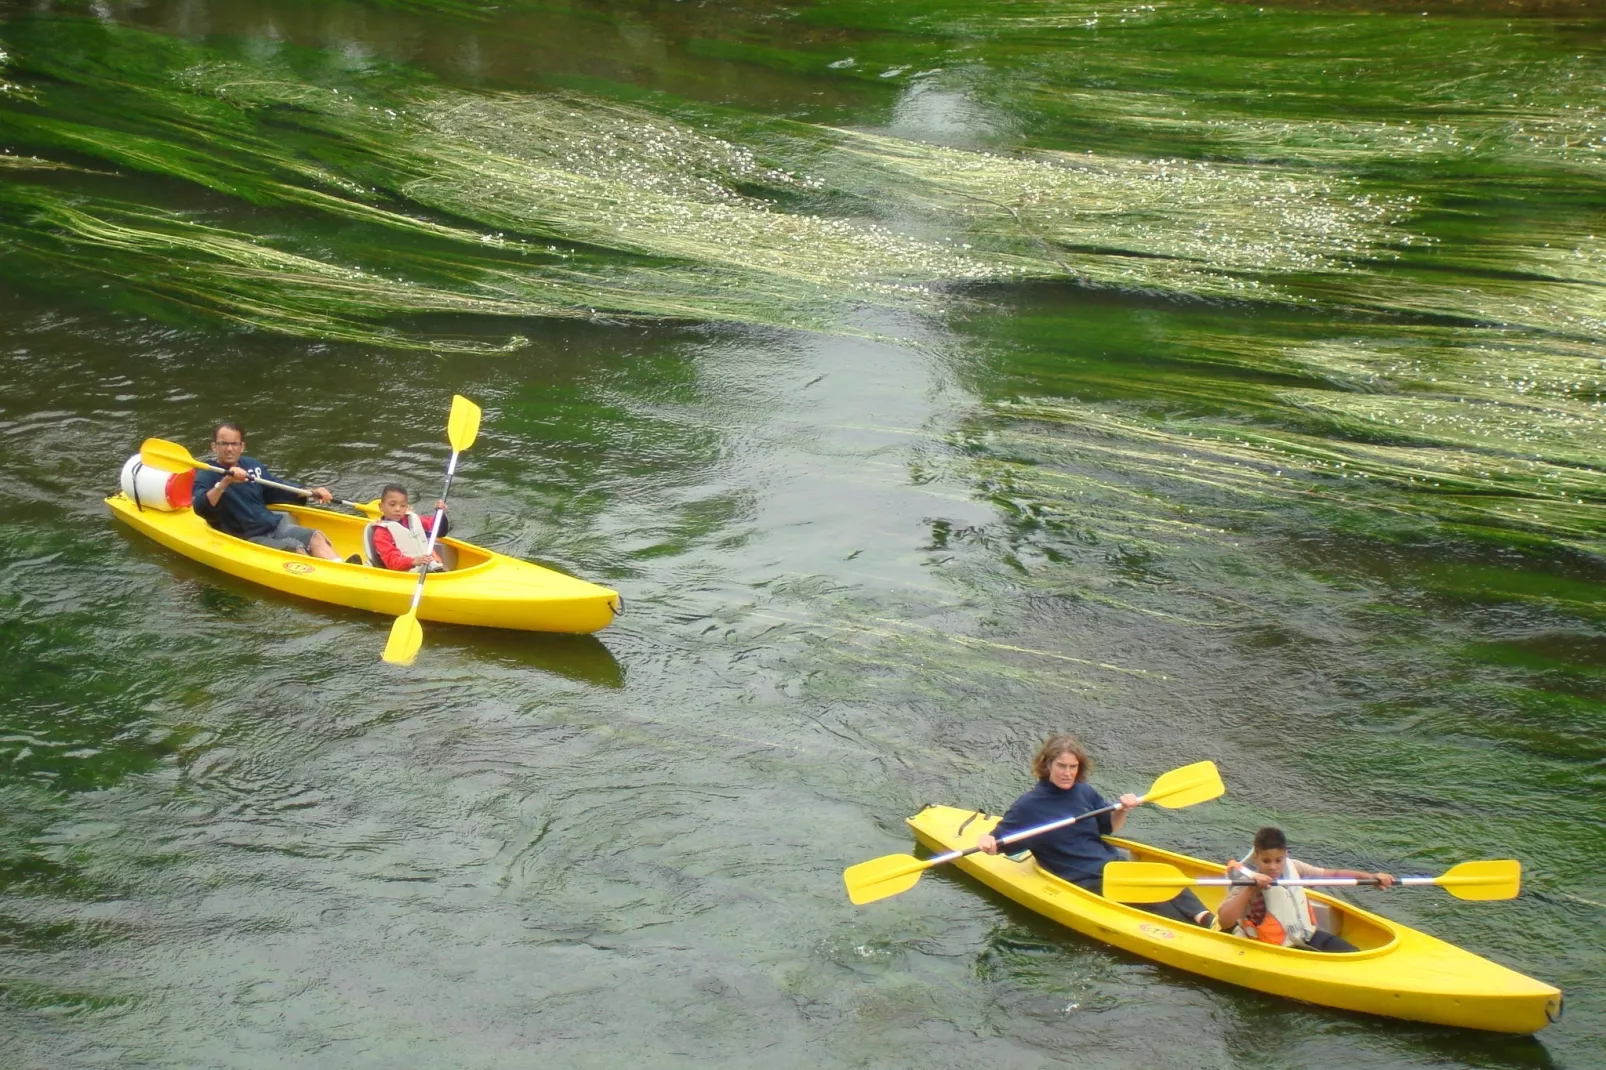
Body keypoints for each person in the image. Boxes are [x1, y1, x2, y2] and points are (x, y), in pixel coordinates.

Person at [977, 734, 1216, 929]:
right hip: (1083, 881)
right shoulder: (1029, 806)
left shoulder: (1084, 792)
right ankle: (1200, 932)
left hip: (1111, 865)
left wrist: (1123, 809)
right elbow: (998, 841)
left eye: (1073, 767)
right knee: (1152, 901)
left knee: (1164, 878)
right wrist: (987, 840)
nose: (1067, 773)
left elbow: (1109, 827)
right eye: (1061, 766)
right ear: (1047, 765)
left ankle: (1205, 918)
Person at [1215, 826, 1395, 952]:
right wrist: (1250, 889)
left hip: (1305, 936)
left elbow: (1330, 875)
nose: (1273, 867)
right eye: (1266, 861)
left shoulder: (1294, 867)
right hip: (1269, 949)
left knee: (1353, 953)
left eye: (1278, 860)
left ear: (1285, 854)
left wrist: (1371, 877)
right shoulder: (1247, 881)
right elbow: (1225, 920)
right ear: (1256, 857)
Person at [191, 421, 340, 560]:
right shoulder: (206, 474)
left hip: (273, 525)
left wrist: (310, 492)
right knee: (296, 549)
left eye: (234, 444)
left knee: (316, 537)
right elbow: (201, 507)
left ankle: (341, 567)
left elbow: (276, 488)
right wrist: (226, 481)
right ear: (214, 447)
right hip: (247, 537)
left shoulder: (252, 465)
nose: (229, 449)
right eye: (224, 444)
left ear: (242, 447)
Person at [369, 484, 450, 571]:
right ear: (381, 507)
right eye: (392, 505)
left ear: (407, 507)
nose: (397, 509)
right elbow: (392, 562)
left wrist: (440, 514)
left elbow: (439, 531)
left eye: (403, 506)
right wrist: (413, 561)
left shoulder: (412, 519)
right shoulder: (381, 534)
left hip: (431, 567)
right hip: (407, 574)